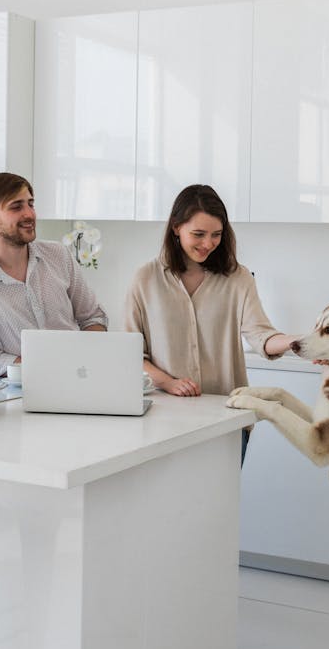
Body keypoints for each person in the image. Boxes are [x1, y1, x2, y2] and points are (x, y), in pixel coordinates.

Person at [123, 184, 297, 463]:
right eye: (198, 234)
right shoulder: (145, 279)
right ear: (176, 227)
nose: (207, 244)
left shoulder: (238, 278)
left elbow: (260, 335)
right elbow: (130, 355)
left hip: (225, 419)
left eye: (216, 235)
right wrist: (168, 382)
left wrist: (296, 342)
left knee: (220, 507)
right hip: (163, 422)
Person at [0, 172, 108, 377]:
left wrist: (84, 363)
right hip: (17, 394)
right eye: (16, 207)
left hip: (80, 378)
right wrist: (55, 370)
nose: (29, 214)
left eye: (30, 204)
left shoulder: (58, 255)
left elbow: (93, 317)